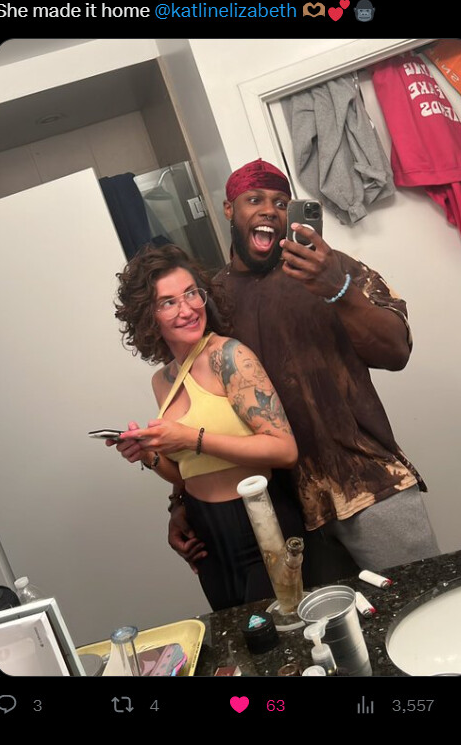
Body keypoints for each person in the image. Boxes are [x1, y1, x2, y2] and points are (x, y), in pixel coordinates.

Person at [167, 159, 440, 582]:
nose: (269, 210)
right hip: (284, 513)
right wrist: (180, 500)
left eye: (281, 202)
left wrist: (338, 289)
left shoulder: (332, 267)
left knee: (423, 599)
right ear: (229, 210)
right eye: (254, 200)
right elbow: (197, 404)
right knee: (332, 624)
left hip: (370, 484)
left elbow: (396, 352)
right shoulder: (211, 302)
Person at [108, 243, 305, 611]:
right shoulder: (162, 381)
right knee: (236, 640)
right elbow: (189, 473)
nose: (187, 309)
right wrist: (150, 456)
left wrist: (191, 438)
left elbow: (284, 450)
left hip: (258, 523)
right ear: (148, 316)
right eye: (168, 302)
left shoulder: (229, 356)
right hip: (207, 537)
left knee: (283, 632)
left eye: (191, 294)